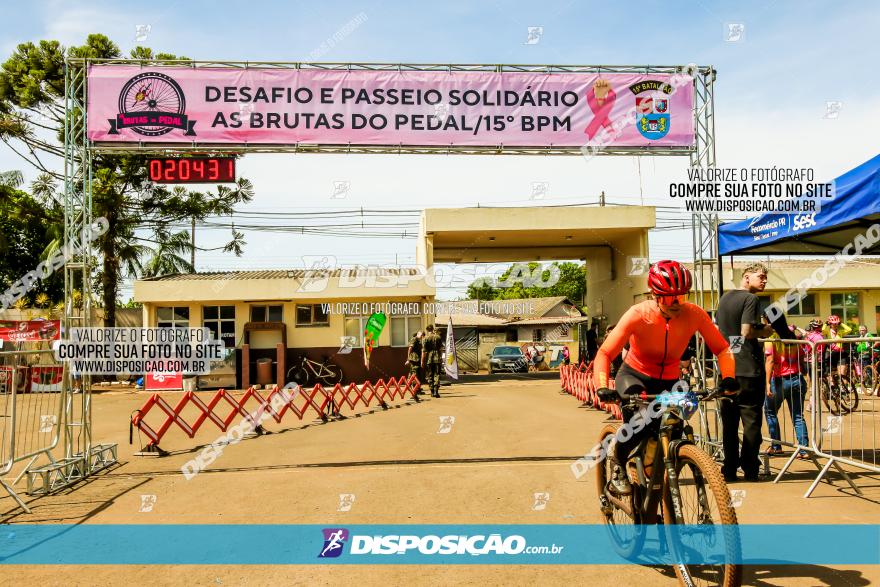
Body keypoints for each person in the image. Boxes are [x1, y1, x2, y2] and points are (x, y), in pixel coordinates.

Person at [594, 260, 738, 496]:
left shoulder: (695, 314)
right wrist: (601, 385)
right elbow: (605, 353)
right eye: (670, 298)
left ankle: (654, 481)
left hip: (670, 380)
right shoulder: (638, 314)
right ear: (655, 295)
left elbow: (722, 349)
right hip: (635, 376)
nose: (677, 304)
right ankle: (618, 461)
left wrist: (729, 378)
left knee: (674, 429)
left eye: (682, 297)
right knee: (640, 423)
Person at [715, 262, 775, 483]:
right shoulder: (751, 299)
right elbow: (746, 331)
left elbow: (731, 337)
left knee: (730, 424)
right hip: (749, 371)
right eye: (761, 276)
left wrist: (735, 351)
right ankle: (750, 469)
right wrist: (766, 330)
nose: (764, 280)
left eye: (766, 277)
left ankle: (729, 470)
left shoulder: (724, 298)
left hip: (727, 369)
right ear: (747, 277)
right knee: (751, 423)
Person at [764, 326, 810, 459]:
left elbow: (770, 361)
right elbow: (802, 362)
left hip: (780, 380)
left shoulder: (773, 341)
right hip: (797, 378)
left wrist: (767, 383)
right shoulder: (797, 343)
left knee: (770, 411)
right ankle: (804, 449)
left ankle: (776, 446)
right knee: (798, 415)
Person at [421, 325, 443, 398]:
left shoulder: (425, 338)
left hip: (429, 359)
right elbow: (440, 349)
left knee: (430, 375)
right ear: (433, 329)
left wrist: (422, 361)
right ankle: (436, 391)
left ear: (427, 330)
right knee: (437, 374)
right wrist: (440, 357)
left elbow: (424, 351)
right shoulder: (438, 337)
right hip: (437, 359)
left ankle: (432, 391)